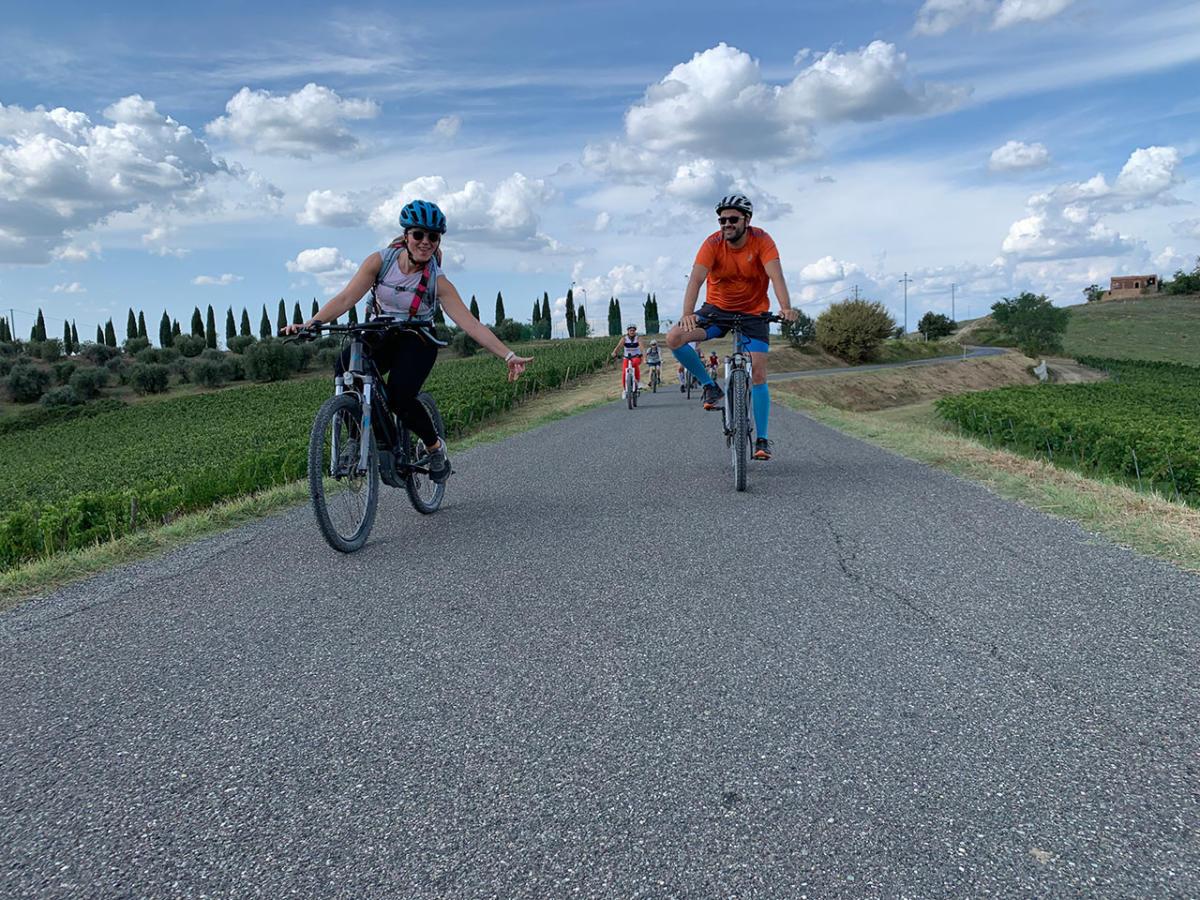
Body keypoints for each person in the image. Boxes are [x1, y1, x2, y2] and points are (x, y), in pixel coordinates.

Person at [283, 199, 532, 482]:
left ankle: (434, 447)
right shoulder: (381, 261)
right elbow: (344, 298)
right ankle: (356, 441)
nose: (425, 242)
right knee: (345, 368)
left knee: (401, 396)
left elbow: (470, 323)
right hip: (380, 332)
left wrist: (508, 355)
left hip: (417, 337)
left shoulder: (439, 282)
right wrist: (312, 323)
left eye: (433, 237)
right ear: (406, 236)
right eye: (418, 235)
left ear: (438, 241)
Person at [665, 193, 797, 461]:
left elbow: (776, 275)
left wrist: (786, 308)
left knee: (758, 373)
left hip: (754, 313)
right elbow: (696, 280)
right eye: (722, 220)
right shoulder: (712, 244)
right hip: (717, 311)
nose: (726, 224)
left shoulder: (762, 240)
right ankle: (710, 386)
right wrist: (687, 313)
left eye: (733, 219)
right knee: (675, 337)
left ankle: (761, 439)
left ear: (747, 220)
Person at [611, 323, 643, 398]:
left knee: (635, 364)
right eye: (630, 330)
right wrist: (614, 352)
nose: (632, 332)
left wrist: (644, 357)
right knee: (625, 372)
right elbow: (618, 347)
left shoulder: (638, 338)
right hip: (627, 357)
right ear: (628, 331)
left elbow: (642, 348)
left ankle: (637, 382)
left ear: (635, 331)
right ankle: (625, 390)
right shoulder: (624, 339)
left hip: (636, 356)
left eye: (633, 330)